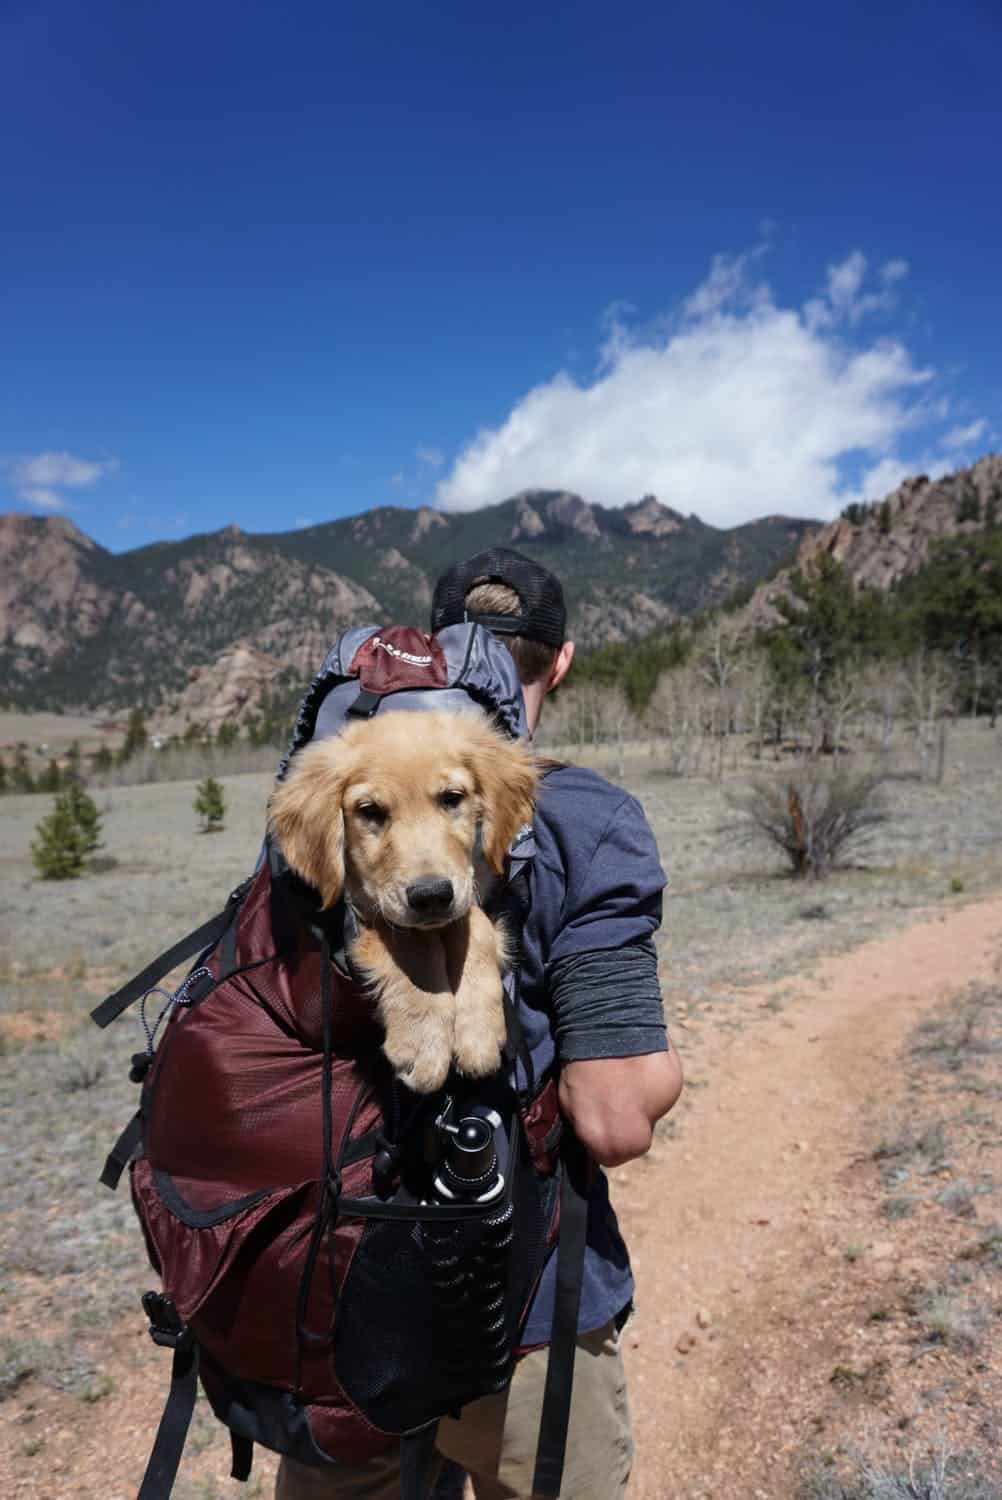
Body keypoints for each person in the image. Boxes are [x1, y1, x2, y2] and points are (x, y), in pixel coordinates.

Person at [277, 547, 683, 1500]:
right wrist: (662, 1067)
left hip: (334, 1299)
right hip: (519, 1311)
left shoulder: (341, 789)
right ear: (563, 661)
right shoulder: (590, 818)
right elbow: (616, 1119)